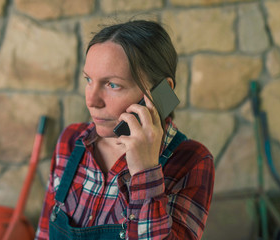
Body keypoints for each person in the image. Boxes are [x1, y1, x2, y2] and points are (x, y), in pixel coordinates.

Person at [35, 20, 215, 240]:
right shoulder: (71, 141)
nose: (91, 101)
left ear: (162, 91)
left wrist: (145, 172)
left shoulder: (191, 161)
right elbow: (44, 234)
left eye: (112, 85)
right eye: (89, 80)